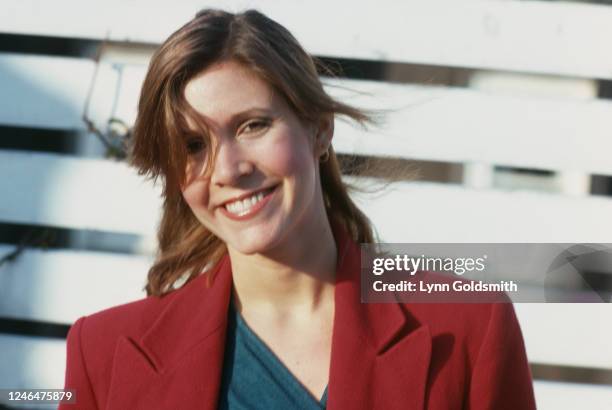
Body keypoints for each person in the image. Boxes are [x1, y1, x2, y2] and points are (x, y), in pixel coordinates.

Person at [60, 9, 536, 410]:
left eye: (252, 125)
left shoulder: (470, 323)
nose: (227, 169)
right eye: (192, 145)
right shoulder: (102, 356)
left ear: (319, 128)